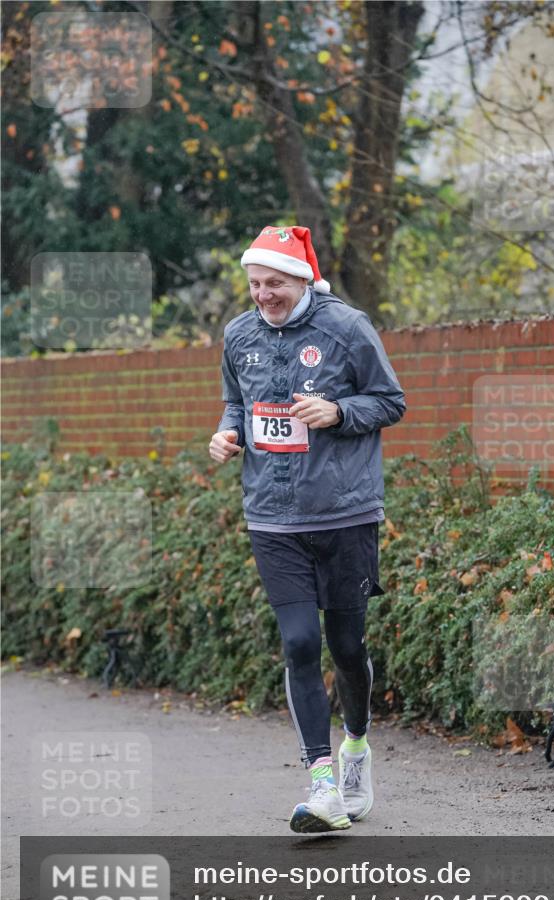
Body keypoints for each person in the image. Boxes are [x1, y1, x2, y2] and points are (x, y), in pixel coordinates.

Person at [209, 224, 406, 833]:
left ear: (301, 280)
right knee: (298, 642)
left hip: (344, 514)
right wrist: (227, 433)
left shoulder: (346, 328)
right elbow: (236, 402)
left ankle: (353, 750)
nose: (262, 294)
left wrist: (340, 411)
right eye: (254, 284)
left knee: (346, 648)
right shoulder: (239, 334)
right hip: (271, 516)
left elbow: (390, 400)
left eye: (273, 283)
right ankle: (320, 783)